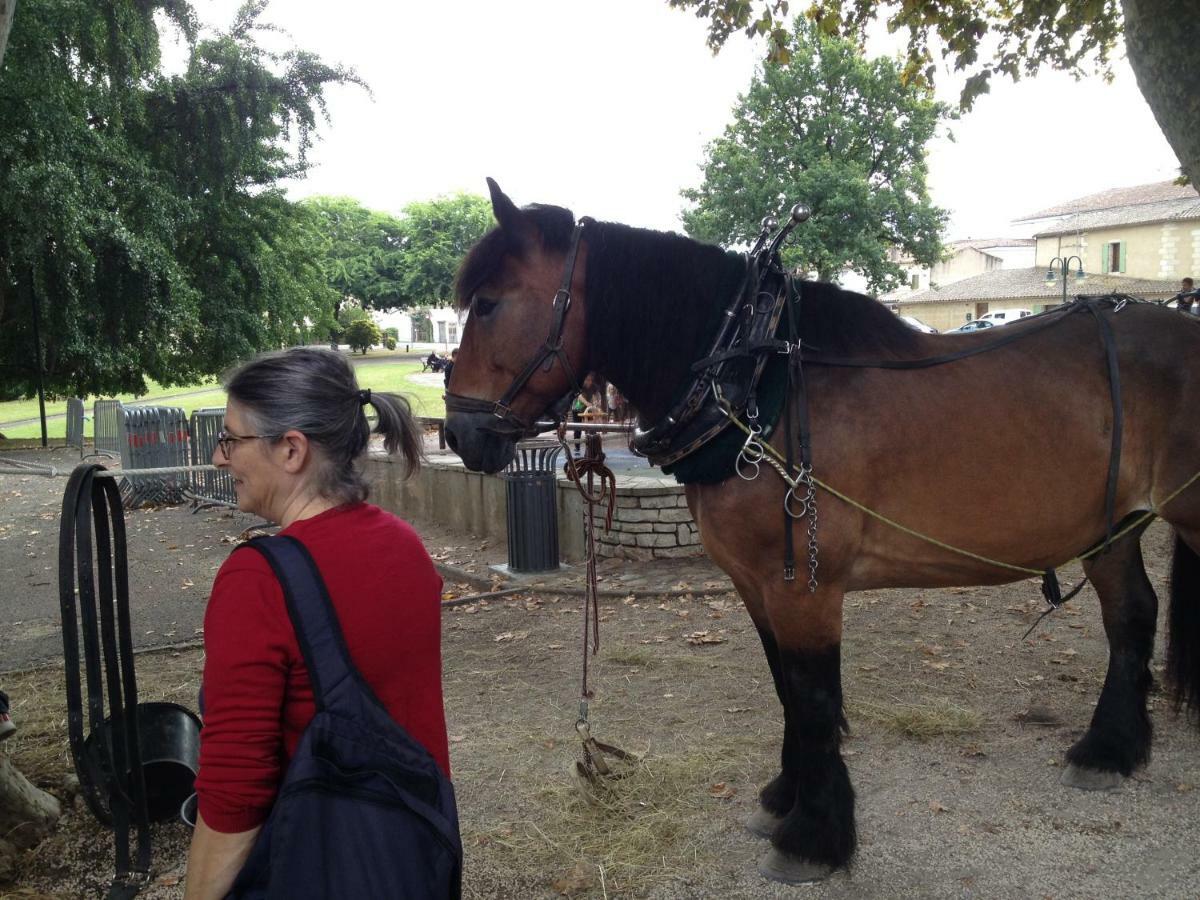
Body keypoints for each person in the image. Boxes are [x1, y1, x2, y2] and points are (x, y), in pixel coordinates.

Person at [184, 348, 450, 899]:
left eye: (231, 439)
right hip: (409, 855)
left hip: (313, 865)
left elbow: (235, 792)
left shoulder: (257, 580)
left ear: (291, 449)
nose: (218, 457)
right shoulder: (405, 546)